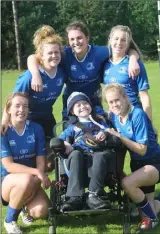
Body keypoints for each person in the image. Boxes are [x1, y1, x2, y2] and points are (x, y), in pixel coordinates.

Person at [27, 21, 140, 121]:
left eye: (79, 37)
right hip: (72, 105)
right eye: (72, 39)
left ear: (87, 37)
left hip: (94, 104)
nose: (76, 42)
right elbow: (33, 57)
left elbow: (125, 49)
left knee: (100, 137)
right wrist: (36, 74)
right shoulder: (64, 54)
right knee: (71, 138)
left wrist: (133, 59)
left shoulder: (99, 52)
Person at [102, 83, 160, 231]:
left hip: (155, 162)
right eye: (111, 102)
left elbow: (142, 150)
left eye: (117, 100)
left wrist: (119, 136)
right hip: (138, 166)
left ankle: (153, 220)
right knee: (147, 211)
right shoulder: (114, 117)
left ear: (126, 98)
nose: (115, 104)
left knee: (127, 183)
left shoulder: (137, 114)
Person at [1, 25, 67, 170]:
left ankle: (52, 187)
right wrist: (4, 121)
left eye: (57, 52)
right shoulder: (29, 77)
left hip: (47, 119)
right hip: (26, 120)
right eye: (50, 53)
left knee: (51, 162)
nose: (54, 56)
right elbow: (13, 100)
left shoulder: (61, 72)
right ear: (41, 56)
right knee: (26, 160)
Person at [57, 91, 120, 211]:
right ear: (71, 111)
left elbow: (111, 131)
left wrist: (105, 133)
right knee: (75, 154)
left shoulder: (100, 122)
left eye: (85, 103)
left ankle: (94, 195)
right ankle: (74, 197)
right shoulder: (72, 127)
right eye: (78, 105)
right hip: (78, 156)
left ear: (91, 105)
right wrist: (65, 142)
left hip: (98, 155)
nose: (82, 107)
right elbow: (60, 139)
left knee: (100, 155)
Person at [1, 92, 51, 234]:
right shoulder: (2, 131)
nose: (21, 110)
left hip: (32, 180)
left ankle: (22, 206)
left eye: (25, 106)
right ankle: (10, 220)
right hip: (7, 182)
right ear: (8, 109)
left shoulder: (36, 128)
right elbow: (8, 165)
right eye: (17, 106)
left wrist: (37, 177)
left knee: (42, 211)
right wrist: (37, 173)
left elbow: (40, 159)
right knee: (26, 179)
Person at [103, 25, 153, 123]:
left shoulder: (136, 65)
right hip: (114, 117)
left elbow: (144, 96)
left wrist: (148, 122)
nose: (119, 43)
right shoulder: (104, 63)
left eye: (123, 40)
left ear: (128, 43)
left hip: (133, 115)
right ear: (110, 39)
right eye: (116, 39)